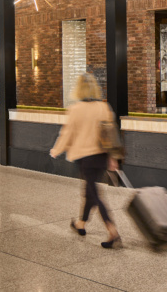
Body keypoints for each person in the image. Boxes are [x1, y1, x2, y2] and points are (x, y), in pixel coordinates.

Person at [50, 73, 121, 248]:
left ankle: (112, 231)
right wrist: (113, 157)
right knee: (89, 190)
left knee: (94, 193)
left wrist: (56, 150)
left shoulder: (76, 109)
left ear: (78, 89)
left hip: (85, 157)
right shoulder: (103, 107)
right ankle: (81, 224)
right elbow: (111, 134)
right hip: (101, 156)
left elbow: (67, 134)